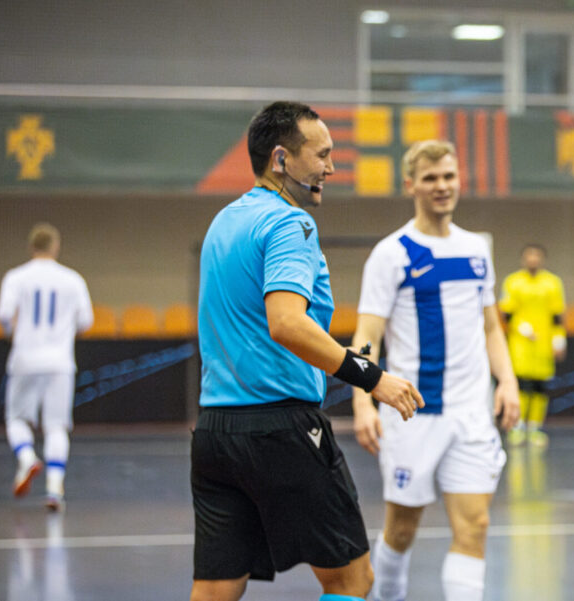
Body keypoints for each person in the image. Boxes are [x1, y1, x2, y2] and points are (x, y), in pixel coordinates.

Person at [190, 101, 423, 601]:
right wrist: (372, 377)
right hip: (281, 430)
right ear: (280, 160)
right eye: (321, 155)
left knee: (216, 589)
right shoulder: (289, 225)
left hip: (215, 434)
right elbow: (287, 324)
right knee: (351, 580)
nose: (331, 169)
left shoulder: (223, 223)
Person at [351, 139, 520, 601]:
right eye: (430, 178)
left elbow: (491, 327)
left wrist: (506, 381)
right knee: (401, 530)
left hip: (471, 415)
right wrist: (362, 401)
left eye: (448, 176)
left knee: (476, 525)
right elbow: (368, 334)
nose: (441, 186)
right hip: (412, 415)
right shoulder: (392, 254)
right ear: (411, 185)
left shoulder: (476, 249)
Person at [0, 223, 93, 511]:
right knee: (56, 426)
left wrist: (11, 330)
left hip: (24, 359)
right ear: (56, 247)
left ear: (31, 247)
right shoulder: (72, 279)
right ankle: (54, 489)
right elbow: (86, 322)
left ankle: (26, 458)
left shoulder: (16, 277)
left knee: (16, 419)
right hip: (60, 363)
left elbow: (3, 315)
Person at [500, 244, 567, 447]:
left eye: (536, 256)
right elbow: (506, 313)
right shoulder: (513, 282)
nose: (533, 260)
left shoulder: (553, 283)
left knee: (540, 388)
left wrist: (558, 340)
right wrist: (521, 328)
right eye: (529, 256)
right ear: (523, 259)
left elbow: (557, 316)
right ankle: (517, 426)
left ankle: (535, 427)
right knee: (521, 386)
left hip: (543, 345)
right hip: (520, 345)